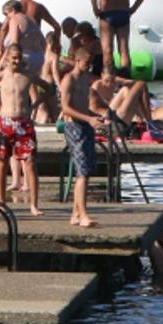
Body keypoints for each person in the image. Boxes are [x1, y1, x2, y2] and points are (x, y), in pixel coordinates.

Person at [0, 44, 42, 215]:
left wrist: (35, 103)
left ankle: (34, 204)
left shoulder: (27, 75)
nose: (17, 61)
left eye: (19, 58)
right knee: (2, 162)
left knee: (30, 162)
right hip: (5, 121)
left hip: (24, 122)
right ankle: (1, 202)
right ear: (7, 59)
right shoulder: (0, 76)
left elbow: (49, 89)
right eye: (13, 58)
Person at [89, 0, 147, 79]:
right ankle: (126, 80)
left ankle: (108, 81)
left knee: (107, 50)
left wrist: (95, 9)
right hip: (123, 13)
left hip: (107, 14)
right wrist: (133, 8)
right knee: (124, 50)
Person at [59, 46, 100, 228]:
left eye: (90, 64)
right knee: (81, 172)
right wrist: (88, 118)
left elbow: (83, 107)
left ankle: (75, 214)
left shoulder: (84, 80)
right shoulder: (69, 80)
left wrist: (95, 116)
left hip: (85, 125)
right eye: (86, 63)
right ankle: (83, 214)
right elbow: (66, 108)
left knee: (87, 171)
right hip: (73, 126)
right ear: (77, 61)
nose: (89, 67)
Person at [2, 0, 45, 75]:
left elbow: (14, 44)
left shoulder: (14, 19)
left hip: (25, 57)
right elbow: (43, 42)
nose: (7, 17)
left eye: (6, 14)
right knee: (32, 84)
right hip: (39, 58)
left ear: (12, 10)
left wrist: (3, 61)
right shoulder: (32, 20)